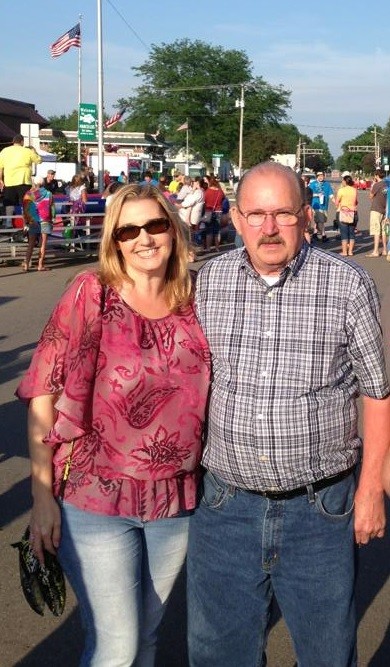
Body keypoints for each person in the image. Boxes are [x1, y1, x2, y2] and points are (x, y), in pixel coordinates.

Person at [187, 161, 390, 667]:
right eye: (256, 214)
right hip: (225, 507)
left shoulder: (347, 285)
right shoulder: (207, 283)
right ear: (235, 219)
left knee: (326, 651)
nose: (269, 227)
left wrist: (371, 489)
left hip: (320, 510)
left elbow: (378, 394)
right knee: (219, 653)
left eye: (282, 213)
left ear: (305, 216)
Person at [16, 183, 211, 666]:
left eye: (155, 225)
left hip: (176, 498)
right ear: (115, 240)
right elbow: (44, 389)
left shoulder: (197, 297)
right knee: (117, 645)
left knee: (145, 634)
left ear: (173, 226)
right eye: (129, 230)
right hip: (95, 497)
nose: (144, 238)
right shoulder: (92, 293)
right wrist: (42, 498)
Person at [0, 133, 42, 228]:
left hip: (9, 181)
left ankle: (8, 223)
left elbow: (0, 167)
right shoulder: (27, 151)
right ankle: (26, 224)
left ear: (13, 142)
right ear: (22, 142)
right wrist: (34, 151)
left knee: (9, 203)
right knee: (25, 203)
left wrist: (0, 180)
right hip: (24, 181)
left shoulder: (4, 151)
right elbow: (39, 160)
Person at [21, 176, 56, 272]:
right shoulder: (49, 194)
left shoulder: (28, 194)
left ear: (34, 183)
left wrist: (25, 221)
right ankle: (40, 265)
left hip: (33, 220)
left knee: (31, 244)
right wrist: (53, 218)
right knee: (43, 244)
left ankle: (26, 265)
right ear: (43, 183)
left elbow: (25, 209)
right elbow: (52, 207)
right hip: (45, 219)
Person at [335, 173, 358, 256]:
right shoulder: (354, 190)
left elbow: (337, 203)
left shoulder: (341, 190)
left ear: (345, 181)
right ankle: (351, 251)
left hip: (344, 212)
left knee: (344, 233)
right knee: (352, 233)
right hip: (353, 213)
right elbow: (356, 201)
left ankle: (344, 252)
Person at [308, 170, 335, 241]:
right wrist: (317, 195)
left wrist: (335, 202)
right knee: (321, 221)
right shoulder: (313, 184)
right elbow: (309, 194)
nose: (321, 177)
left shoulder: (327, 184)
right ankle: (323, 235)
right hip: (316, 205)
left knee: (319, 220)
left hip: (324, 205)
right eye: (319, 176)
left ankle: (314, 234)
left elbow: (331, 195)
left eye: (322, 176)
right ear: (317, 177)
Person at [366, 169, 387, 257]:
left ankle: (375, 251)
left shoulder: (377, 184)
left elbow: (370, 196)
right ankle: (385, 249)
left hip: (376, 209)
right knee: (384, 231)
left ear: (377, 176)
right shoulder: (387, 185)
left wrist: (373, 184)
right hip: (385, 210)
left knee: (376, 230)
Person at [203, 175, 225, 251]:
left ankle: (208, 248)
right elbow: (223, 199)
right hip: (218, 211)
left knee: (208, 230)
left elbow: (204, 201)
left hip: (208, 212)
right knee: (217, 231)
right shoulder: (220, 192)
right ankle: (217, 247)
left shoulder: (207, 191)